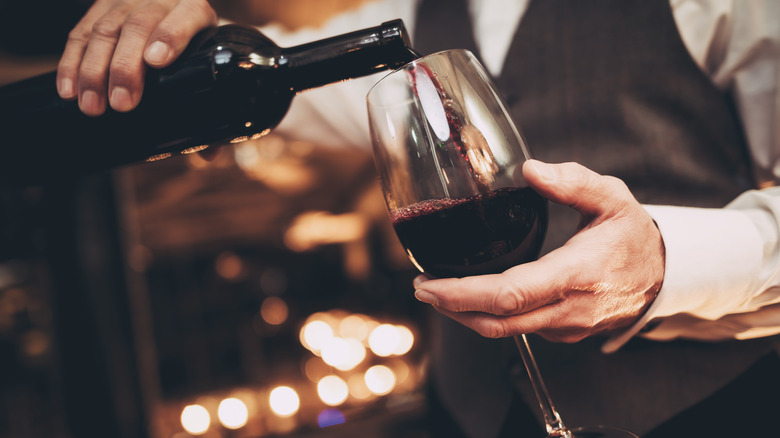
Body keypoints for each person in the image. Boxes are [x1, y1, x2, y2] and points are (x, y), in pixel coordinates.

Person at [54, 0, 780, 436]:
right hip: (460, 418)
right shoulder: (407, 14)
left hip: (711, 410)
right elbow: (272, 91)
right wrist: (182, 43)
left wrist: (665, 260)